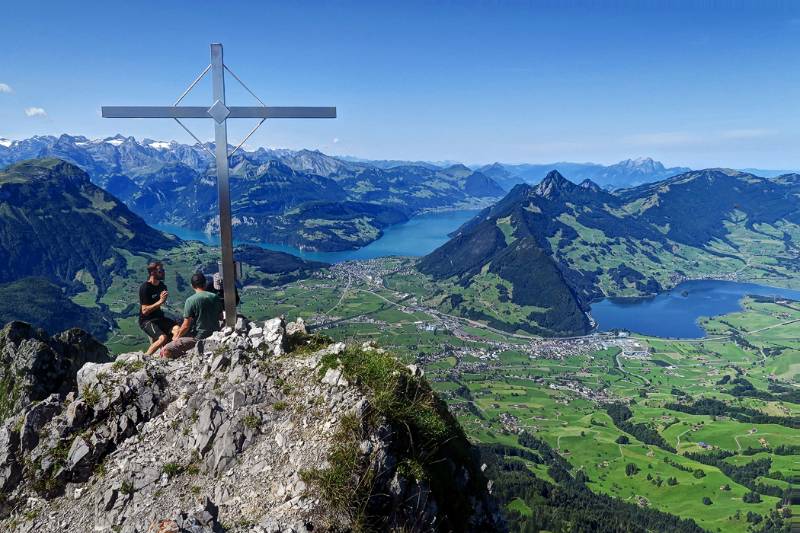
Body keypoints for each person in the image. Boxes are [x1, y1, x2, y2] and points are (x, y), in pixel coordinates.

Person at [138, 261, 176, 355]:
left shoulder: (162, 286)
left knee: (178, 330)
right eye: (160, 270)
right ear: (152, 272)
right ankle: (145, 358)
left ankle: (169, 353)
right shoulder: (145, 288)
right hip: (147, 320)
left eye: (163, 270)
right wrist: (160, 301)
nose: (163, 272)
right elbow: (144, 311)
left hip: (159, 317)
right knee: (163, 338)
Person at [174, 272, 223, 341]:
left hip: (199, 337)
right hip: (215, 334)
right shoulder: (215, 297)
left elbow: (186, 326)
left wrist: (177, 337)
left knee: (168, 347)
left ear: (192, 286)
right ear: (205, 283)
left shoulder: (190, 300)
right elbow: (221, 317)